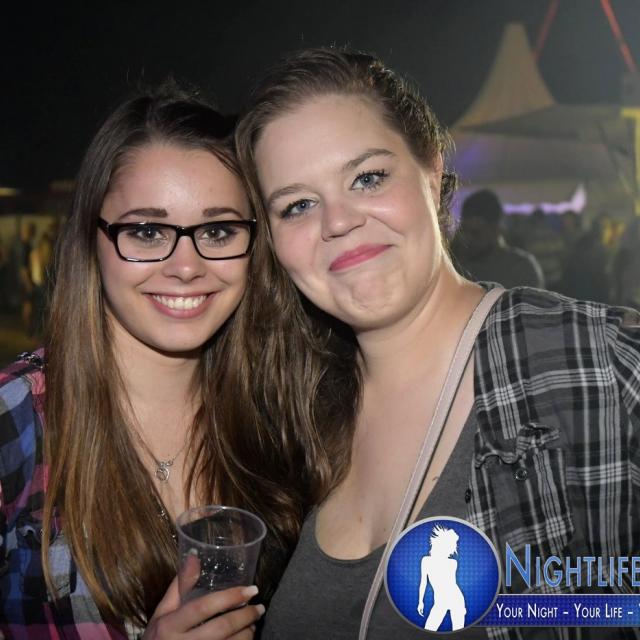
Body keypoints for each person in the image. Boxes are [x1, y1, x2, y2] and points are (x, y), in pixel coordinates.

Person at [236, 48, 640, 639]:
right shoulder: (295, 417)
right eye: (298, 205)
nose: (338, 221)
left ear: (431, 170)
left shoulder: (592, 366)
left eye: (368, 177)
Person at [0, 85, 305, 639]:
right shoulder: (13, 420)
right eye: (146, 231)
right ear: (90, 239)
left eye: (218, 230)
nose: (186, 266)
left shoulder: (281, 408)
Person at [451, 190, 544, 289]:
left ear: (495, 229)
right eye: (463, 231)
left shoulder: (521, 269)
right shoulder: (457, 266)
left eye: (475, 233)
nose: (466, 239)